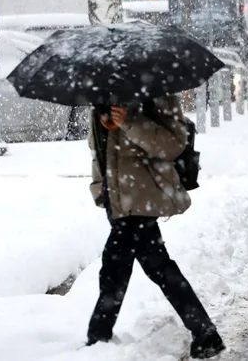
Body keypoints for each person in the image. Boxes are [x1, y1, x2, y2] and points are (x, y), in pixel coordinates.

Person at [86, 96, 225, 359]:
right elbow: (98, 151)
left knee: (115, 267)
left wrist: (129, 123)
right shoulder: (101, 92)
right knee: (156, 266)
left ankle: (98, 338)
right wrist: (99, 188)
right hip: (117, 200)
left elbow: (173, 144)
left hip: (142, 196)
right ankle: (205, 333)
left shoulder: (155, 90)